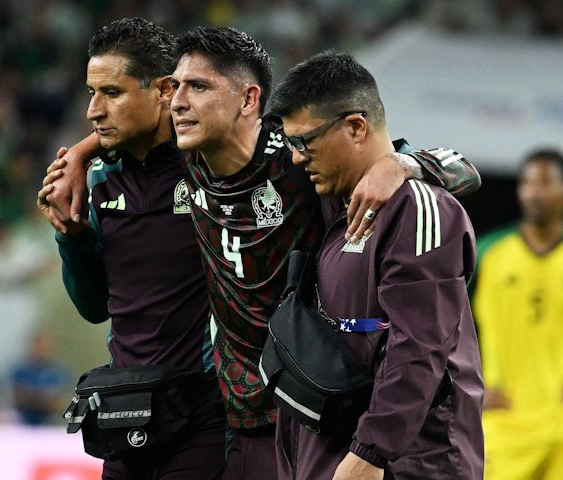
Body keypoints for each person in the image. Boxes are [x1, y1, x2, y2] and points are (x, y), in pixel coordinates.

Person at [40, 25, 481, 479]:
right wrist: (79, 154)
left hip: (316, 410)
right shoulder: (189, 157)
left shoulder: (297, 162)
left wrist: (402, 163)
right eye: (177, 89)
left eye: (197, 87)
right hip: (240, 415)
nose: (178, 103)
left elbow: (459, 170)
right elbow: (135, 119)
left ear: (247, 101)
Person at [268, 51, 484, 479]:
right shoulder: (330, 198)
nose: (295, 157)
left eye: (303, 142)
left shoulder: (418, 211)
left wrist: (370, 453)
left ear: (355, 127)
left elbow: (418, 348)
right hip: (337, 454)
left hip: (406, 463)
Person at [38, 17, 227, 480]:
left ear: (164, 90)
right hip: (126, 412)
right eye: (91, 92)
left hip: (206, 411)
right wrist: (71, 236)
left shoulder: (214, 163)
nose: (93, 110)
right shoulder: (98, 181)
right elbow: (95, 307)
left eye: (112, 93)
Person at [472, 149, 563, 480]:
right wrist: (469, 387)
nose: (534, 192)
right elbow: (447, 326)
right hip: (504, 422)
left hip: (560, 426)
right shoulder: (488, 254)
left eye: (546, 182)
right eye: (527, 182)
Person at [10, 329, 70, 426]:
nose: (40, 348)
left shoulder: (58, 372)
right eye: (37, 345)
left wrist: (34, 397)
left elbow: (61, 402)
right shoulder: (20, 371)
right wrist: (45, 399)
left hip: (50, 420)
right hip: (25, 419)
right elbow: (18, 399)